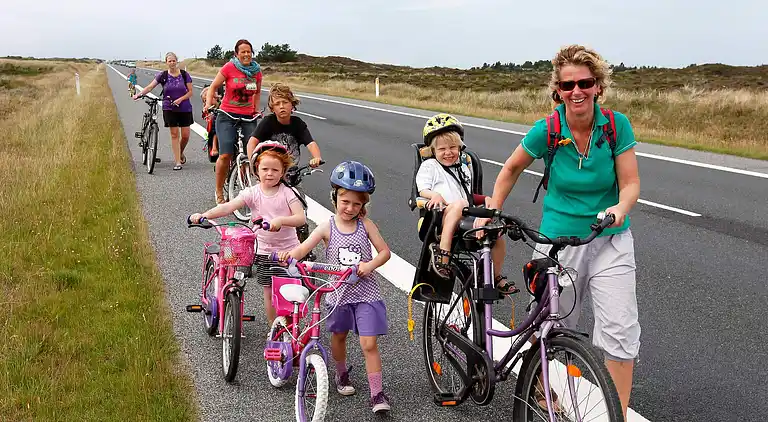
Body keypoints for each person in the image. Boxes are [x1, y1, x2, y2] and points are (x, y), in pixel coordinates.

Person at [477, 44, 641, 419]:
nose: (577, 91)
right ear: (558, 91)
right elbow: (511, 168)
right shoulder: (548, 130)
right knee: (552, 327)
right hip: (557, 244)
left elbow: (630, 183)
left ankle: (614, 415)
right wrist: (493, 209)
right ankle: (541, 388)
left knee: (620, 334)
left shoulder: (616, 126)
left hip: (610, 238)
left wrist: (619, 208)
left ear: (598, 86)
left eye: (585, 83)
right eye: (568, 86)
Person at [277, 161, 392, 414]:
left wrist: (369, 265)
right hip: (338, 293)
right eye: (345, 201)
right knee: (338, 336)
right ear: (335, 198)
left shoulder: (366, 226)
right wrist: (290, 256)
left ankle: (377, 393)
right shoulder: (327, 226)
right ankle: (341, 374)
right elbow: (304, 247)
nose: (350, 208)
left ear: (364, 205)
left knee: (369, 344)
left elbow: (385, 253)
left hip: (366, 293)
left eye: (357, 204)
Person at [189, 141, 305, 324]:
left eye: (275, 170)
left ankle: (291, 329)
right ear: (256, 170)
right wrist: (204, 215)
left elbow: (301, 218)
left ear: (283, 172)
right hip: (264, 251)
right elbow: (228, 207)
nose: (269, 173)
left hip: (289, 250)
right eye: (265, 169)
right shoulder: (253, 192)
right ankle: (274, 330)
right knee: (269, 292)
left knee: (291, 292)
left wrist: (281, 221)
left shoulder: (288, 193)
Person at [416, 113, 518, 295]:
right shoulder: (430, 166)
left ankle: (494, 275)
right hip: (440, 217)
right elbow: (422, 190)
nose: (448, 153)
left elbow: (469, 195)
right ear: (433, 150)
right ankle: (443, 254)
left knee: (497, 232)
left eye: (453, 147)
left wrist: (487, 200)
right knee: (459, 204)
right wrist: (435, 195)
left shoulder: (463, 167)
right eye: (442, 149)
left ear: (460, 147)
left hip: (465, 215)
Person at [246, 82, 323, 251]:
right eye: (277, 104)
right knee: (264, 211)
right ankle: (259, 245)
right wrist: (254, 163)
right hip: (272, 174)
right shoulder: (268, 122)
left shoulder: (298, 124)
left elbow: (310, 143)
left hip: (292, 176)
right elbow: (253, 142)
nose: (282, 107)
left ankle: (303, 249)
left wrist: (316, 157)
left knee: (300, 210)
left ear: (292, 104)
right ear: (272, 107)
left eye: (285, 102)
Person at [204, 39, 263, 204]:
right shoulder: (229, 68)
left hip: (248, 116)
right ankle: (219, 191)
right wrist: (209, 105)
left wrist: (256, 110)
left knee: (252, 155)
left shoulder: (257, 71)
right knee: (226, 153)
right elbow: (214, 87)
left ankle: (245, 186)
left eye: (249, 51)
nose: (246, 54)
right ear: (237, 54)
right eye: (243, 51)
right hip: (227, 115)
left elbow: (257, 93)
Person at [133, 52, 194, 171]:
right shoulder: (163, 75)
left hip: (184, 107)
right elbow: (150, 87)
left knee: (185, 136)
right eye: (169, 61)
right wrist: (139, 94)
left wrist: (180, 99)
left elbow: (190, 92)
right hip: (169, 107)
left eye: (173, 60)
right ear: (166, 62)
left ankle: (180, 153)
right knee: (174, 134)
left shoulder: (184, 75)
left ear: (177, 61)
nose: (172, 63)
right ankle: (177, 161)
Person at [201, 85, 223, 162]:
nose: (206, 103)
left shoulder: (222, 104)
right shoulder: (208, 108)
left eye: (207, 100)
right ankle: (214, 146)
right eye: (204, 101)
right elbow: (204, 115)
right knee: (215, 125)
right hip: (214, 126)